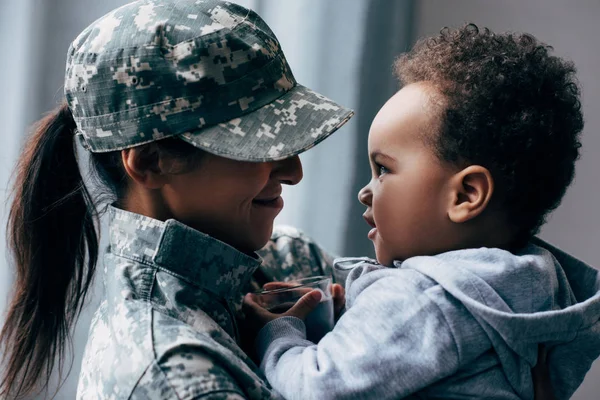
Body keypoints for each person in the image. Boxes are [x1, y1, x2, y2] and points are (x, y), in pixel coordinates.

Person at [0, 1, 352, 399]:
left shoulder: (291, 262)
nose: (293, 172)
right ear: (151, 162)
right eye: (260, 145)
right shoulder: (172, 376)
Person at [244, 24, 600, 400]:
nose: (365, 192)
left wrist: (279, 333)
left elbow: (316, 389)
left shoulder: (421, 300)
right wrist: (357, 310)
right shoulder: (533, 290)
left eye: (383, 169)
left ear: (465, 195)